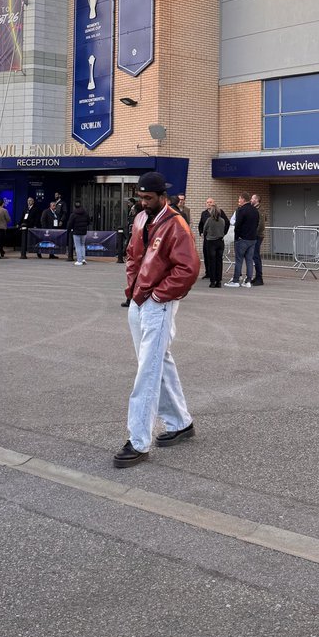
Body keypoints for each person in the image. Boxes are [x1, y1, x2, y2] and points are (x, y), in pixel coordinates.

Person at [114, 171, 199, 468]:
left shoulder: (176, 224)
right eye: (140, 197)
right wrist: (133, 290)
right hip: (140, 301)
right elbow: (132, 256)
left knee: (147, 370)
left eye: (148, 198)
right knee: (157, 363)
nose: (143, 202)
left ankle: (138, 440)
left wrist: (159, 295)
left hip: (157, 304)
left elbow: (188, 268)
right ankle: (180, 421)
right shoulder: (140, 219)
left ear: (162, 196)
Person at [226, 193, 259, 288]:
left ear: (243, 199)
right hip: (252, 239)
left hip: (242, 239)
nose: (239, 200)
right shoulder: (255, 210)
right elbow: (256, 224)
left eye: (240, 199)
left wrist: (237, 237)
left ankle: (236, 280)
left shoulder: (241, 210)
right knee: (249, 260)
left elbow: (238, 225)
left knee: (239, 260)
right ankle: (248, 280)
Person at [198, 198, 228, 280]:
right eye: (207, 202)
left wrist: (223, 233)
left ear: (214, 203)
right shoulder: (204, 213)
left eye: (210, 202)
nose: (209, 204)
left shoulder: (220, 212)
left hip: (217, 238)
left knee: (216, 257)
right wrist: (201, 232)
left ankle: (216, 275)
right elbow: (201, 225)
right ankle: (208, 272)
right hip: (207, 238)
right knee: (206, 256)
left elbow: (226, 223)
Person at [66, 201, 90, 266]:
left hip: (76, 231)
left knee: (78, 246)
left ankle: (79, 261)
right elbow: (88, 222)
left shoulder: (73, 214)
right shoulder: (85, 213)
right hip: (84, 231)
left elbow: (70, 223)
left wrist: (68, 230)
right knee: (82, 245)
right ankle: (83, 259)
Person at [251, 194, 266, 287]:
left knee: (256, 256)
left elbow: (261, 224)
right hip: (255, 235)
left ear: (256, 200)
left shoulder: (260, 210)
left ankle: (259, 278)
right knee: (254, 256)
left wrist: (254, 233)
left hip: (257, 236)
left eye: (252, 198)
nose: (251, 200)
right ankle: (257, 277)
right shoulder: (255, 209)